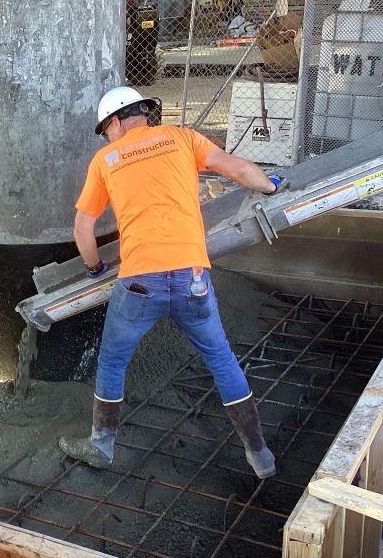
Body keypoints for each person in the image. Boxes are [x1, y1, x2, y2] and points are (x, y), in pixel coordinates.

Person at [59, 86, 281, 479]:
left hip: (140, 282)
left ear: (114, 122)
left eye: (105, 129)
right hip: (191, 278)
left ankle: (101, 445)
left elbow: (83, 226)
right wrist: (270, 186)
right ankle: (259, 454)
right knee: (221, 358)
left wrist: (94, 268)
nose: (107, 137)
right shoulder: (183, 137)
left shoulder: (106, 159)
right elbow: (240, 170)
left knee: (113, 359)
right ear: (144, 113)